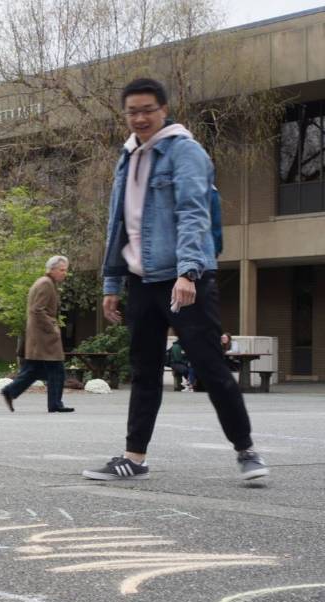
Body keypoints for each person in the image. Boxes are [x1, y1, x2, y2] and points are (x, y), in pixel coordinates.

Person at [86, 77, 268, 482]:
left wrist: (188, 272)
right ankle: (134, 458)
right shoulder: (128, 156)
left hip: (185, 278)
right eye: (132, 111)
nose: (140, 117)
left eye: (147, 109)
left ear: (163, 110)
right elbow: (119, 225)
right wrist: (112, 285)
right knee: (144, 370)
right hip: (141, 281)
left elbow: (193, 214)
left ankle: (247, 451)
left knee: (210, 365)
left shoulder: (184, 152)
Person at [1, 255, 74, 414]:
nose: (64, 273)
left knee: (33, 370)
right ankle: (55, 404)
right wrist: (53, 326)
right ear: (52, 269)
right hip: (44, 337)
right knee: (57, 369)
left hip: (39, 336)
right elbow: (37, 310)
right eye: (62, 270)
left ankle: (10, 391)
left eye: (65, 270)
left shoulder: (45, 282)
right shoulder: (46, 284)